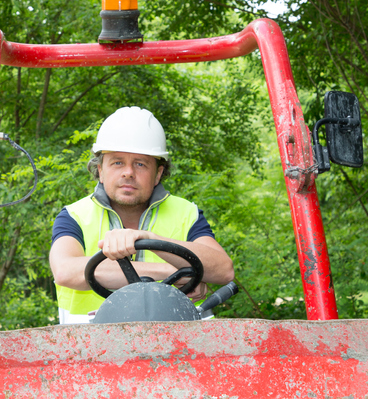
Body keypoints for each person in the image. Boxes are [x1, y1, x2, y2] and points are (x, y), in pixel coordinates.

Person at [49, 106, 234, 324]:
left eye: (140, 164)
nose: (128, 172)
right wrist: (173, 272)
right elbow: (65, 271)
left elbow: (224, 270)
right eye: (117, 162)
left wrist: (150, 240)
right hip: (88, 350)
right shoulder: (74, 216)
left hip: (179, 349)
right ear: (100, 170)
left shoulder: (186, 213)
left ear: (158, 174)